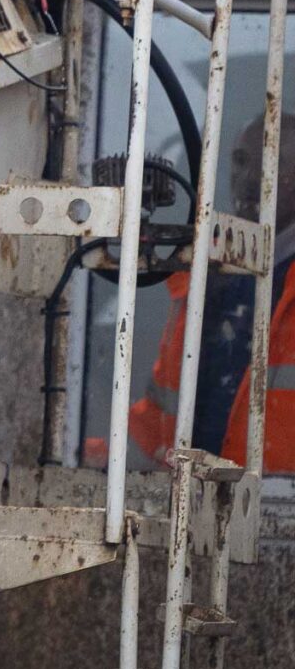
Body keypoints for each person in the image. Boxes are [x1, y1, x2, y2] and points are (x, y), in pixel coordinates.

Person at [125, 111, 295, 473]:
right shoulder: (204, 271)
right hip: (188, 502)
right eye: (240, 161)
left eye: (271, 163)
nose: (249, 179)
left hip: (277, 513)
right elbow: (162, 412)